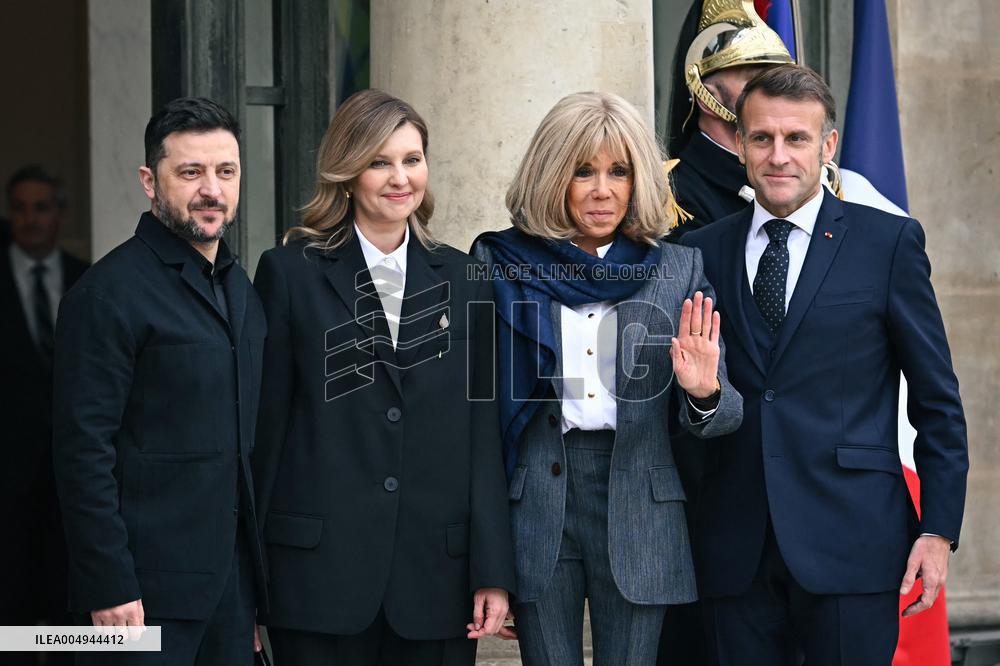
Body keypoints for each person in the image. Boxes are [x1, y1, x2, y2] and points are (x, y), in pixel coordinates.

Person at [680, 65, 969, 665]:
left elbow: (937, 397)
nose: (778, 155)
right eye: (762, 138)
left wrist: (938, 530)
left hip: (855, 541)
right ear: (739, 143)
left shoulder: (888, 244)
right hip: (733, 545)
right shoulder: (697, 253)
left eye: (797, 139)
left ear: (828, 146)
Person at [472, 91, 743, 665]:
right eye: (582, 171)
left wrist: (703, 392)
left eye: (618, 171)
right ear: (552, 176)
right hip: (539, 495)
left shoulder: (677, 268)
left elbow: (728, 414)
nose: (603, 189)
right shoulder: (502, 262)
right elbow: (476, 400)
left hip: (641, 500)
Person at [251, 89, 514, 665]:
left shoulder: (468, 276)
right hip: (315, 579)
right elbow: (263, 434)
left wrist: (493, 570)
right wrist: (248, 583)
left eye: (412, 160)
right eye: (380, 161)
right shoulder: (289, 274)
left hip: (435, 582)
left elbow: (481, 431)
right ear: (347, 172)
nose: (400, 178)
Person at [52, 97, 267, 665]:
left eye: (226, 171)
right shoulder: (106, 294)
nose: (211, 190)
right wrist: (108, 583)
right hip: (138, 599)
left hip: (229, 595)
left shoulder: (238, 285)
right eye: (190, 172)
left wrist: (251, 598)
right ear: (150, 181)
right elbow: (81, 451)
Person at [0, 166, 88, 666]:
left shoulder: (89, 278)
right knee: (9, 620)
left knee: (67, 612)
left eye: (41, 207)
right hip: (5, 485)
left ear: (60, 213)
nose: (30, 220)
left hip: (69, 482)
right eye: (20, 208)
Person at [665, 0, 793, 241]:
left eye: (775, 79)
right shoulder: (676, 195)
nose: (774, 93)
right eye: (753, 81)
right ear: (706, 98)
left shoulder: (804, 173)